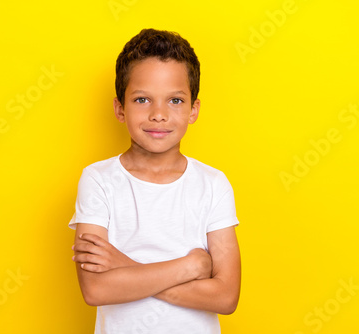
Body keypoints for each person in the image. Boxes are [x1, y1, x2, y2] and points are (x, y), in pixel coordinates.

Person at [69, 28, 241, 334]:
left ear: (193, 110)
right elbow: (96, 290)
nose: (159, 114)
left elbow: (226, 297)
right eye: (142, 99)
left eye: (175, 100)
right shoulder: (98, 180)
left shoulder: (213, 184)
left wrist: (124, 267)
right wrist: (191, 267)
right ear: (120, 108)